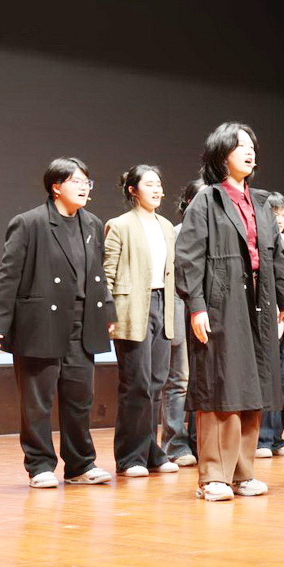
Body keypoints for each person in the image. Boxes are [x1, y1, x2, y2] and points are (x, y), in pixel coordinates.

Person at [177, 122, 284, 501]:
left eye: (251, 146)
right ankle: (214, 475)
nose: (249, 152)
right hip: (220, 301)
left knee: (252, 384)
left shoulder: (260, 201)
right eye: (240, 146)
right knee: (220, 385)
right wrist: (196, 306)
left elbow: (276, 256)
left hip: (258, 303)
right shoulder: (206, 201)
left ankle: (243, 473)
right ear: (220, 154)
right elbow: (188, 258)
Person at [0, 157, 115, 488]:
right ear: (56, 187)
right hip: (39, 321)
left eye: (87, 182)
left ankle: (80, 465)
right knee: (37, 400)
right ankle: (40, 465)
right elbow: (8, 274)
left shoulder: (92, 224)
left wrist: (108, 312)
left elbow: (98, 274)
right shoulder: (29, 223)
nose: (84, 187)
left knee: (79, 398)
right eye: (76, 181)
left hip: (82, 321)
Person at [103, 165, 179, 478]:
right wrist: (108, 312)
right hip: (132, 307)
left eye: (159, 184)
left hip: (162, 304)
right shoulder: (119, 225)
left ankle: (150, 451)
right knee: (136, 384)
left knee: (157, 383)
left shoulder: (166, 226)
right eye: (149, 184)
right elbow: (108, 271)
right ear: (133, 190)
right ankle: (129, 456)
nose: (157, 190)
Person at [160, 178, 207, 467]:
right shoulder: (175, 233)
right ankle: (175, 444)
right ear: (189, 202)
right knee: (179, 380)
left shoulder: (219, 232)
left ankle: (201, 440)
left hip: (208, 313)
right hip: (180, 310)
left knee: (204, 381)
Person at [257, 191, 284, 458]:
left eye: (283, 214)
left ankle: (277, 437)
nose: (281, 219)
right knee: (267, 380)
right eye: (275, 214)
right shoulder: (261, 241)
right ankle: (262, 438)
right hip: (267, 319)